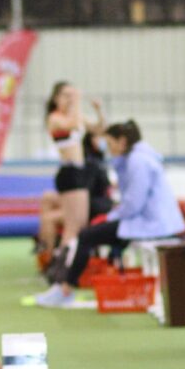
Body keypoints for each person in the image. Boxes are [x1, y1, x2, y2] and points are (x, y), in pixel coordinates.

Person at [33, 120, 185, 308]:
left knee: (86, 236)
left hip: (150, 224)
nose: (108, 148)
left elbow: (133, 204)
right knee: (90, 234)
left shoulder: (138, 162)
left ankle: (65, 289)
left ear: (122, 142)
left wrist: (110, 217)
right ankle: (64, 287)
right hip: (148, 220)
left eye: (111, 144)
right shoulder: (135, 159)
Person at [43, 83, 107, 257]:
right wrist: (77, 100)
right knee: (73, 227)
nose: (70, 99)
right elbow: (72, 124)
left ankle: (64, 264)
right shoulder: (55, 117)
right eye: (65, 95)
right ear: (56, 98)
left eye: (72, 95)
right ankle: (60, 268)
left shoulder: (75, 116)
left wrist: (99, 111)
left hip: (79, 172)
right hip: (69, 172)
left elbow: (99, 129)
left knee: (79, 224)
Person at [35, 125, 113, 259]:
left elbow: (89, 191)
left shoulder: (92, 162)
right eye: (99, 137)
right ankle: (48, 253)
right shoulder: (91, 160)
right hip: (89, 200)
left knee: (50, 219)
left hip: (90, 204)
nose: (103, 141)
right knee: (48, 201)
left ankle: (52, 257)